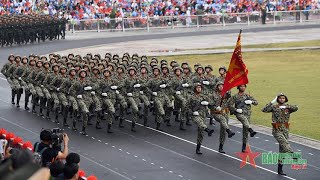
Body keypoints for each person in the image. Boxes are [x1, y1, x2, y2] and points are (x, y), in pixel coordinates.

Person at [262, 93, 298, 176]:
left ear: (285, 99)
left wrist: (287, 107)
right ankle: (292, 154)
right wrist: (272, 102)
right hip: (277, 130)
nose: (282, 99)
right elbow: (264, 110)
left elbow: (296, 108)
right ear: (278, 99)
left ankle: (280, 169)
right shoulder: (274, 107)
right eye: (280, 98)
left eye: (283, 98)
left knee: (282, 151)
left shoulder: (288, 107)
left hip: (285, 130)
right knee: (285, 143)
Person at [228, 84, 258, 152]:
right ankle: (251, 130)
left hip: (247, 114)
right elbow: (229, 105)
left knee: (245, 131)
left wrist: (251, 102)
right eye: (241, 86)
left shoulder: (248, 96)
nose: (243, 87)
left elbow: (256, 103)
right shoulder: (235, 96)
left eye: (244, 86)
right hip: (239, 113)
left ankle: (244, 146)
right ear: (238, 87)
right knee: (244, 121)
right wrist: (235, 110)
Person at [189, 83, 214, 155]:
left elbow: (212, 103)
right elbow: (187, 107)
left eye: (200, 87)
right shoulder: (191, 97)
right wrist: (192, 112)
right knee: (199, 122)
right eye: (197, 87)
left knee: (201, 133)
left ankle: (198, 148)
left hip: (203, 116)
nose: (199, 89)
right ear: (195, 88)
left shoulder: (204, 97)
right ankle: (207, 130)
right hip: (195, 115)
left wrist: (207, 103)